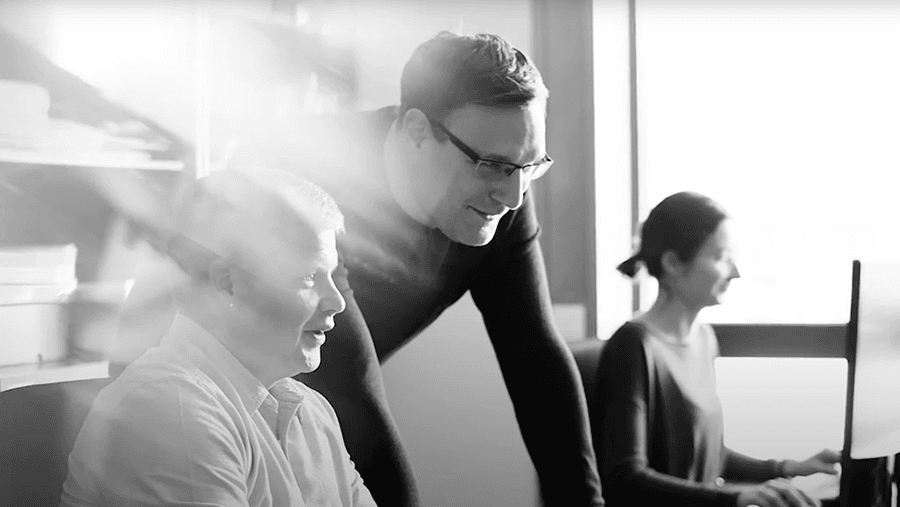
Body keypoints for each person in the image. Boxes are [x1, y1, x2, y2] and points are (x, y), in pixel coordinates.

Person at [231, 31, 604, 506]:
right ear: (416, 130)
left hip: (304, 408)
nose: (512, 198)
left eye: (530, 167)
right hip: (204, 408)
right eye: (492, 166)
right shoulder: (314, 177)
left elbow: (536, 361)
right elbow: (351, 383)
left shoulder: (507, 194)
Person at [60, 168, 377, 507]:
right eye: (310, 277)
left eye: (331, 275)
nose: (338, 302)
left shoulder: (313, 414)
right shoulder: (171, 411)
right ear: (227, 283)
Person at [591, 191, 841, 507]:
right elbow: (626, 479)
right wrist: (737, 496)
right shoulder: (632, 347)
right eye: (721, 256)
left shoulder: (704, 339)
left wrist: (787, 467)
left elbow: (707, 455)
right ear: (672, 263)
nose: (735, 272)